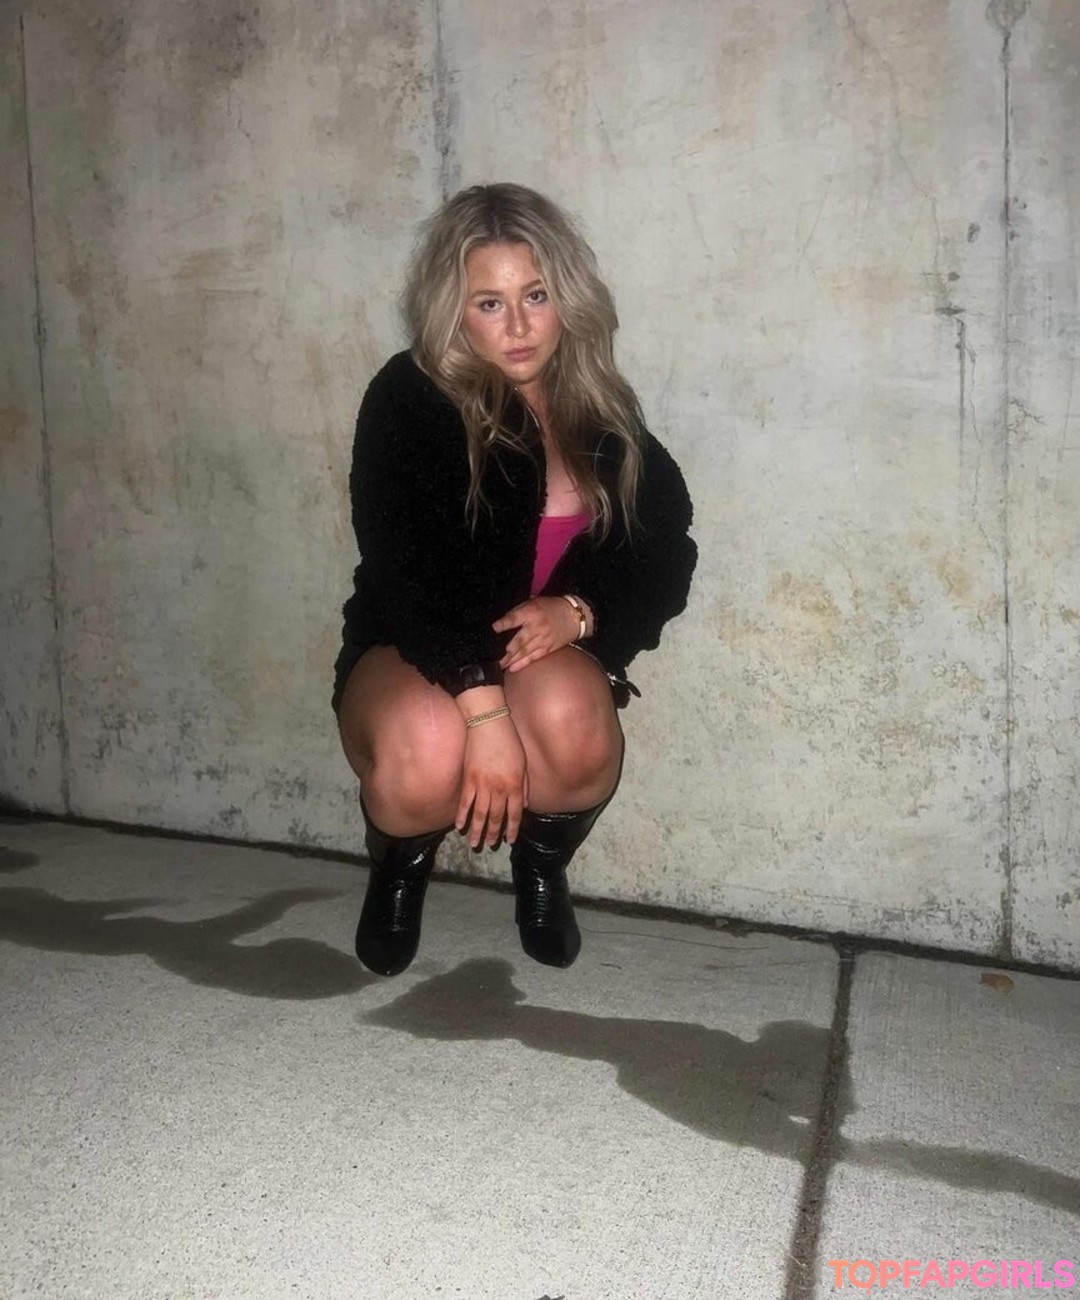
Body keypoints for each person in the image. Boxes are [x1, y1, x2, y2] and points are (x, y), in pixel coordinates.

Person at [333, 183, 696, 977]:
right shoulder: (409, 397)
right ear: (454, 311)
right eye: (490, 304)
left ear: (566, 296)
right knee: (429, 747)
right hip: (412, 648)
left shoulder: (597, 408)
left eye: (536, 295)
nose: (520, 326)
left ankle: (540, 868)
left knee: (576, 719)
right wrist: (482, 705)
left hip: (535, 658)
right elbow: (405, 568)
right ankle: (397, 873)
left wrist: (582, 611)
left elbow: (665, 546)